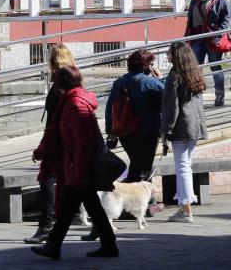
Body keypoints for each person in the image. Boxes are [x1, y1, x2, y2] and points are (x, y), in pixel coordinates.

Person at [31, 66, 118, 260]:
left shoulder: (75, 104)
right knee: (84, 206)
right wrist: (43, 150)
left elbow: (83, 142)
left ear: (60, 84)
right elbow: (57, 132)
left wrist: (80, 171)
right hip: (78, 166)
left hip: (80, 167)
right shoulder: (71, 101)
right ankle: (107, 244)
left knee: (70, 207)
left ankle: (54, 246)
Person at [26, 44, 76, 244]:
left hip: (58, 141)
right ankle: (100, 226)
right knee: (79, 186)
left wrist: (43, 146)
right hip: (70, 140)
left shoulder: (58, 88)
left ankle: (46, 225)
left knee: (47, 179)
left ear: (53, 61)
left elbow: (52, 123)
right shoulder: (74, 81)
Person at [161, 41, 208, 224]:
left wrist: (167, 129)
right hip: (195, 125)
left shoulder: (175, 75)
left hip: (181, 126)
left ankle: (186, 210)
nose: (167, 55)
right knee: (186, 165)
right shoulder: (194, 72)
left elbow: (171, 107)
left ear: (176, 55)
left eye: (169, 52)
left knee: (182, 167)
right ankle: (183, 207)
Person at [105, 50, 164, 183]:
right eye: (151, 64)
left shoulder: (119, 82)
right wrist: (162, 79)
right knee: (140, 171)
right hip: (148, 131)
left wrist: (111, 133)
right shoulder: (152, 83)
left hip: (125, 132)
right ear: (147, 65)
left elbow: (110, 109)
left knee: (139, 166)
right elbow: (169, 99)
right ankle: (130, 191)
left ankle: (145, 194)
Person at [184, 0, 230, 107]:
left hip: (213, 38)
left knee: (215, 66)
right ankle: (195, 97)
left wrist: (218, 36)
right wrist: (186, 38)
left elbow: (226, 20)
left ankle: (219, 97)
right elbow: (190, 22)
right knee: (196, 67)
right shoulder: (194, 1)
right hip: (197, 38)